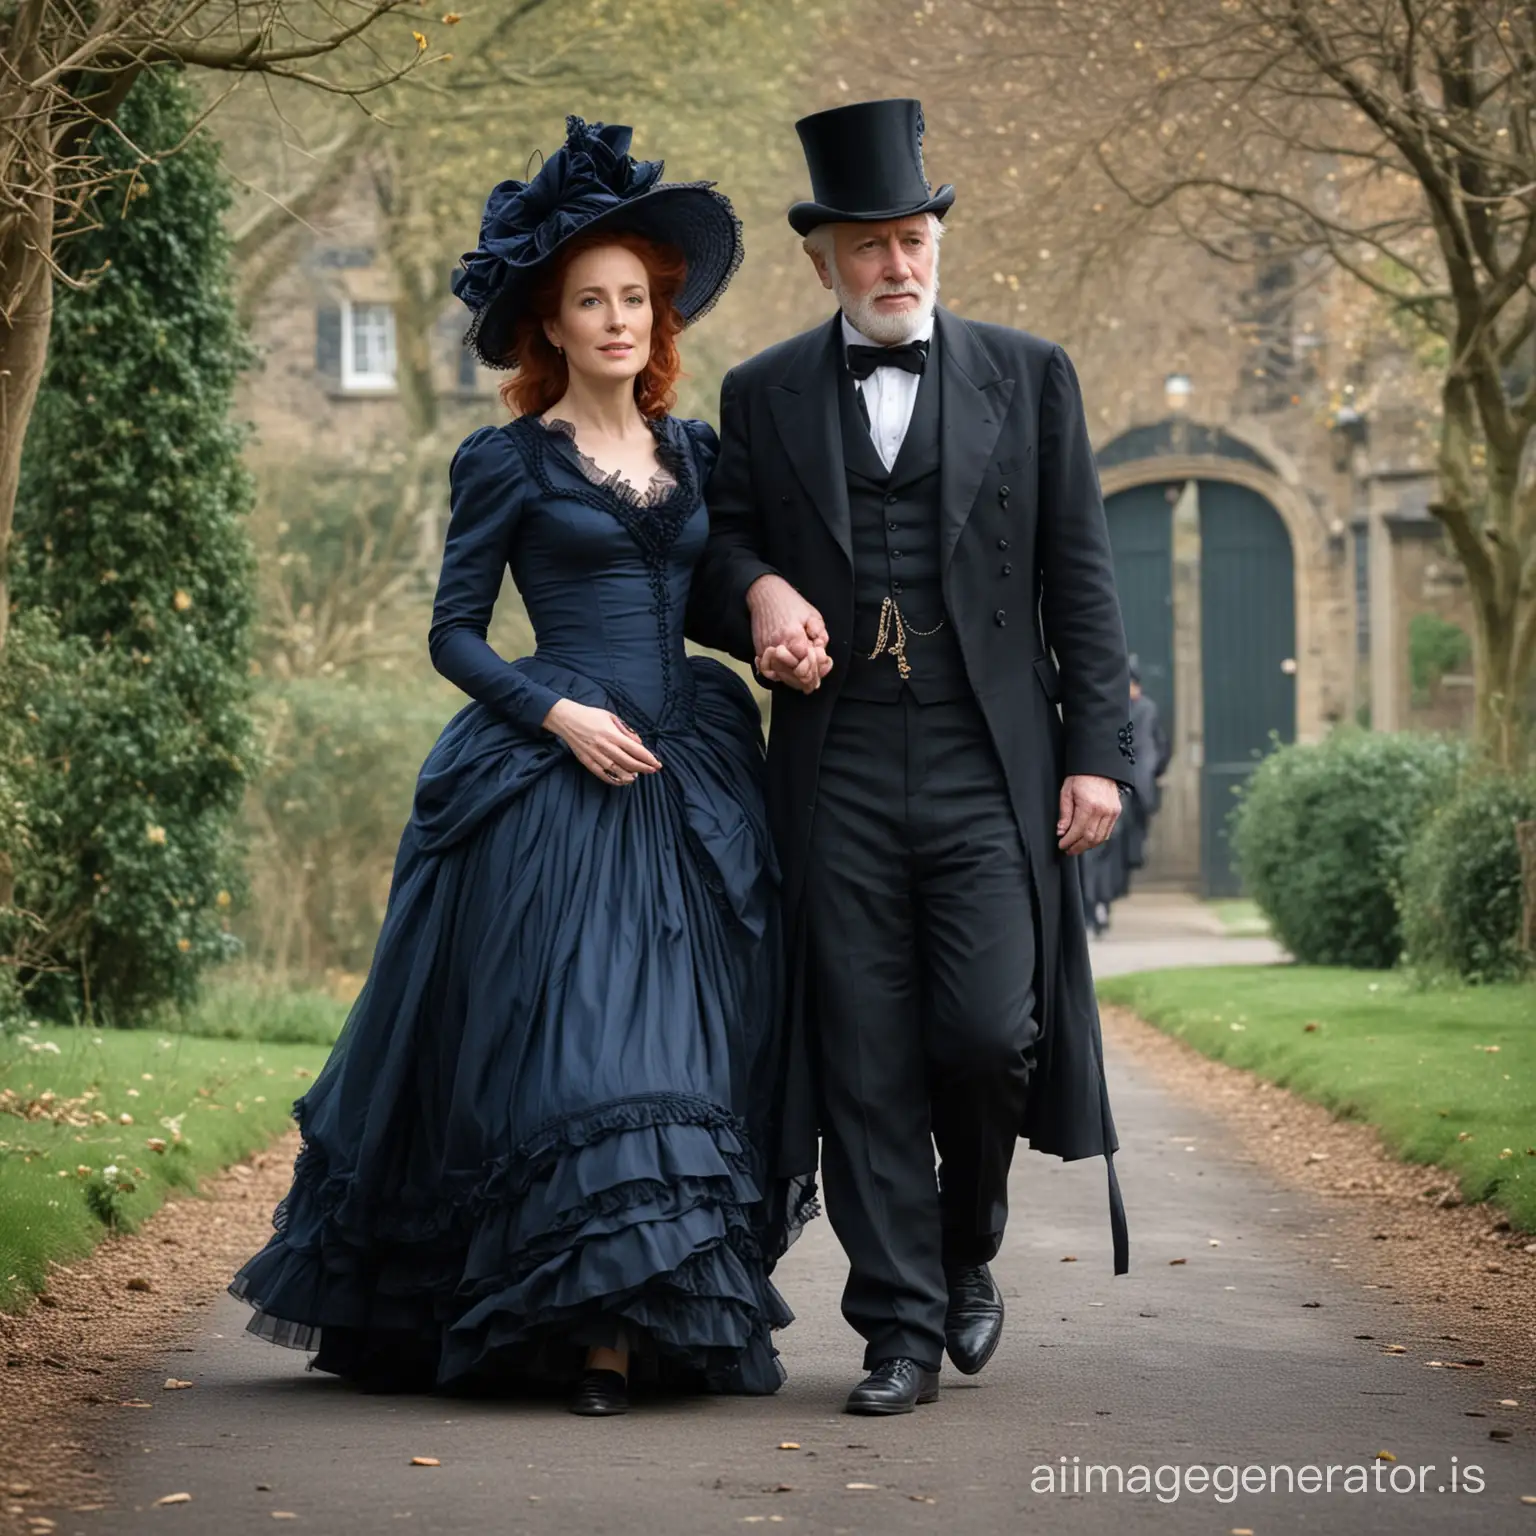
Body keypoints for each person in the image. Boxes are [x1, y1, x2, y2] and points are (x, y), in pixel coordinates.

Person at [230, 117, 816, 1418]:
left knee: (684, 1054)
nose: (616, 321)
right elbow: (451, 633)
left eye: (635, 300)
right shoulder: (503, 460)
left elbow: (707, 596)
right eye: (590, 302)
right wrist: (552, 712)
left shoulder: (700, 454)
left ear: (656, 316)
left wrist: (773, 623)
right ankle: (584, 1334)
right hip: (554, 785)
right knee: (579, 1062)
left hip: (692, 779)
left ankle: (647, 1320)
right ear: (548, 325)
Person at [688, 98, 1134, 1417]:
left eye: (913, 238)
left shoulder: (1030, 374)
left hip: (985, 759)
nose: (897, 263)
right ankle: (896, 1328)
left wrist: (1096, 753)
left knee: (991, 1033)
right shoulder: (760, 393)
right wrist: (760, 591)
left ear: (936, 241)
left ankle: (964, 1241)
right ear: (821, 258)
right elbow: (712, 558)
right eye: (868, 244)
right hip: (831, 765)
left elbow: (1085, 584)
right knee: (865, 1051)